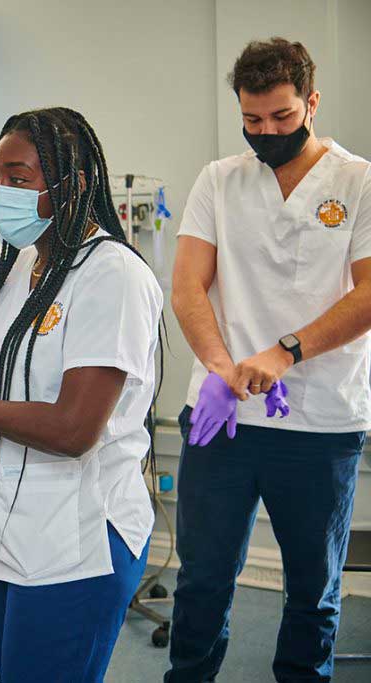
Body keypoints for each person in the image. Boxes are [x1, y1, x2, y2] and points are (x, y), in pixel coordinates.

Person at [0, 108, 162, 682]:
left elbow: (74, 430)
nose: (2, 193)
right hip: (6, 532)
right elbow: (14, 394)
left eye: (20, 179)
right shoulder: (22, 265)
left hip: (75, 542)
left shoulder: (111, 275)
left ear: (72, 184)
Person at [167, 38, 371, 683]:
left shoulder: (357, 182)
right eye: (252, 121)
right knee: (200, 582)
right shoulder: (220, 179)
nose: (266, 133)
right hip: (222, 418)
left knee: (312, 593)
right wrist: (222, 369)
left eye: (282, 118)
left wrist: (285, 352)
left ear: (311, 102)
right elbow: (187, 287)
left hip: (320, 423)